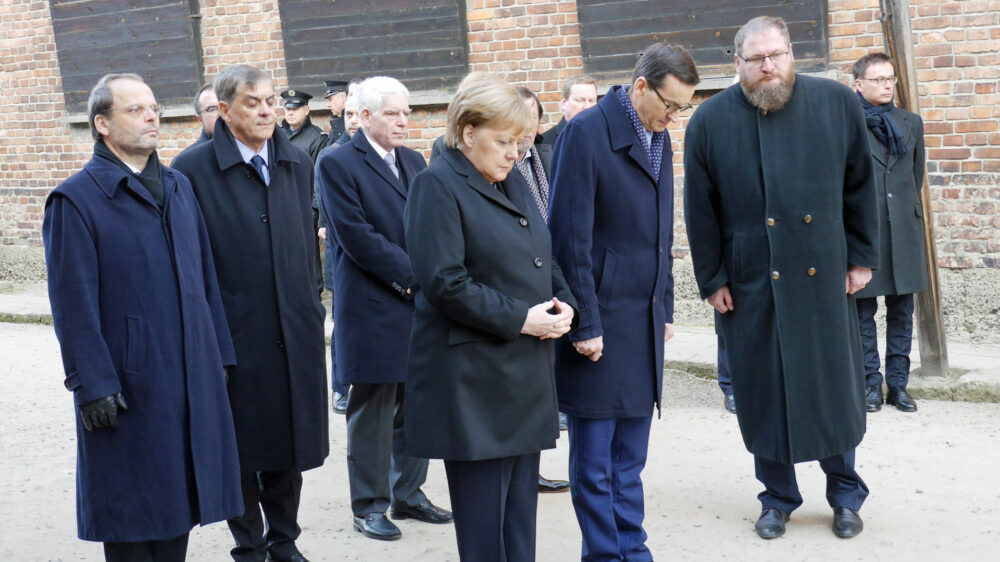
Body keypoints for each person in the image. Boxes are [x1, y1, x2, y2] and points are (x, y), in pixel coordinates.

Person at [683, 16, 879, 540]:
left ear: (792, 54)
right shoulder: (709, 120)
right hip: (751, 279)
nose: (769, 66)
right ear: (737, 63)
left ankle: (844, 494)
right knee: (763, 389)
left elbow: (861, 183)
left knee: (832, 387)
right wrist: (712, 278)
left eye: (778, 54)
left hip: (823, 274)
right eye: (757, 58)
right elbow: (700, 210)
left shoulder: (836, 102)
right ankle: (777, 498)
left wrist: (861, 258)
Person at [43, 72, 242, 561]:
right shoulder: (76, 200)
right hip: (127, 386)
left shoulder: (177, 187)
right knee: (132, 516)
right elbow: (72, 303)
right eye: (136, 110)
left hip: (189, 375)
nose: (152, 116)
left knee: (178, 507)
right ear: (102, 124)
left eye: (154, 107)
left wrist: (218, 355)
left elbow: (206, 281)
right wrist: (91, 383)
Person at [404, 74, 577, 562]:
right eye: (503, 141)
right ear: (467, 133)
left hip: (522, 376)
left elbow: (541, 254)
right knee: (485, 533)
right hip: (474, 386)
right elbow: (444, 282)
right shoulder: (436, 185)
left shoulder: (512, 179)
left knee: (519, 524)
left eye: (520, 143)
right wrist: (522, 319)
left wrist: (565, 304)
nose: (514, 153)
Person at [172, 64, 329, 562]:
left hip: (293, 326)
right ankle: (250, 545)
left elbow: (306, 245)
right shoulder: (191, 169)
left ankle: (285, 541)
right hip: (236, 331)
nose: (266, 112)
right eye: (253, 103)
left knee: (289, 444)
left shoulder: (296, 162)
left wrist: (310, 301)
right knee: (239, 444)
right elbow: (191, 259)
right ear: (224, 111)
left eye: (271, 103)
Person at [547, 43, 698, 561]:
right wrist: (585, 323)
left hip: (643, 318)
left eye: (683, 109)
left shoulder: (658, 137)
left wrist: (667, 307)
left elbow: (662, 232)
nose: (673, 118)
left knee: (630, 457)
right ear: (639, 87)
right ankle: (606, 554)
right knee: (594, 460)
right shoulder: (586, 134)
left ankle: (633, 550)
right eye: (670, 105)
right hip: (601, 320)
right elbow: (568, 238)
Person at [316, 76, 451, 542]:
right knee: (373, 412)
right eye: (393, 113)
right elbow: (357, 238)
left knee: (418, 405)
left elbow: (433, 223)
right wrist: (419, 279)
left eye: (407, 112)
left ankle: (409, 494)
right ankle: (369, 505)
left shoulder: (414, 161)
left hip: (420, 305)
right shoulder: (337, 163)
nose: (403, 121)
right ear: (365, 116)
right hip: (375, 303)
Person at [852, 52, 927, 414]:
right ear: (859, 85)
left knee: (902, 311)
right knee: (862, 311)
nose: (886, 85)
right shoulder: (848, 123)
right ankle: (870, 385)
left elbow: (915, 177)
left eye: (890, 79)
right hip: (867, 231)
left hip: (905, 231)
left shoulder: (910, 122)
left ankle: (898, 385)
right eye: (878, 79)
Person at [513, 85, 571, 495]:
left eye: (534, 118)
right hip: (519, 281)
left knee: (543, 378)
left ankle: (531, 467)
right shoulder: (502, 167)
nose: (529, 128)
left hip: (550, 267)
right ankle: (521, 472)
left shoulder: (546, 156)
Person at [316, 90, 362, 415]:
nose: (355, 122)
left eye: (361, 114)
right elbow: (323, 201)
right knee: (342, 320)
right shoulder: (331, 154)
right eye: (350, 115)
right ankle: (340, 387)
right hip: (342, 253)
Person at [538, 74, 598, 145]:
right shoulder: (544, 144)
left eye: (591, 100)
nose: (587, 106)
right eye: (580, 100)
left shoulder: (605, 138)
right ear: (564, 103)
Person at [172, 83, 219, 163]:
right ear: (200, 119)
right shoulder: (185, 162)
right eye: (212, 109)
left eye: (225, 106)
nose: (222, 114)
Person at [280, 89, 327, 163]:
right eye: (288, 109)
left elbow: (317, 172)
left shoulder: (318, 138)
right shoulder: (278, 134)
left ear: (306, 111)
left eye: (295, 109)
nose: (290, 113)